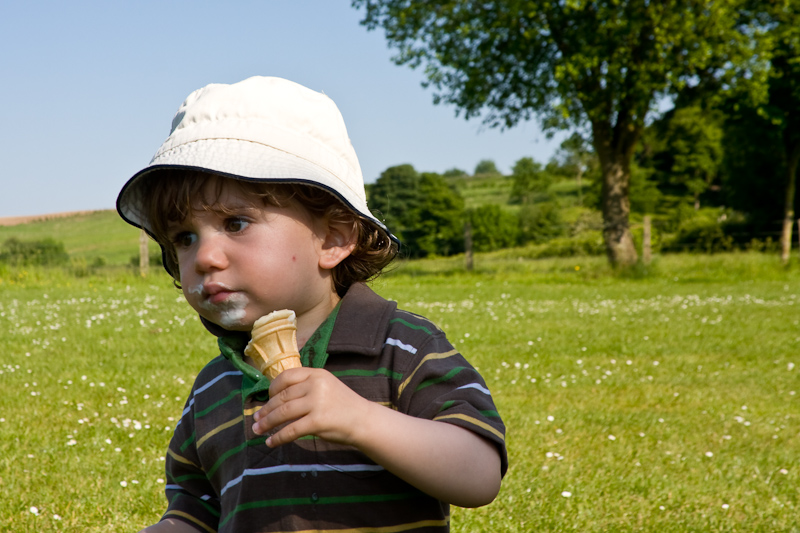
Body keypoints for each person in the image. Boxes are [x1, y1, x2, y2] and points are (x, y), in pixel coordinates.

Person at [116, 76, 507, 533]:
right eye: (184, 237)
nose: (204, 257)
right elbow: (194, 512)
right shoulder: (213, 388)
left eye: (236, 223)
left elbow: (480, 475)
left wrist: (362, 420)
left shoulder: (401, 347)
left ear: (334, 238)